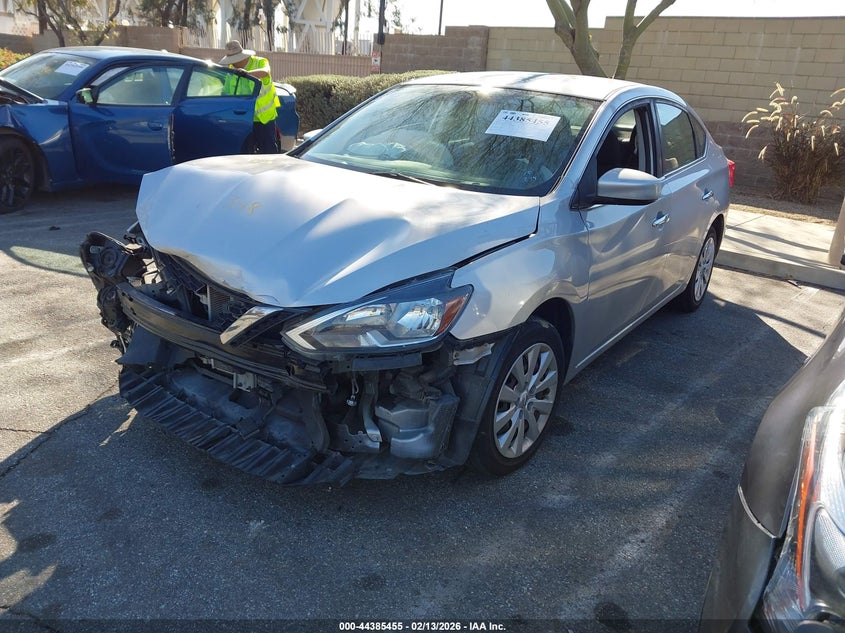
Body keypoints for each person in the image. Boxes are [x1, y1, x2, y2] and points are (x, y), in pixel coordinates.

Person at [219, 40, 280, 154]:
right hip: (244, 119)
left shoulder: (260, 62)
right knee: (246, 154)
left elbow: (265, 72)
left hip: (264, 118)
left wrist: (246, 74)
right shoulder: (232, 70)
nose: (232, 64)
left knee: (268, 153)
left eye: (234, 61)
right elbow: (226, 93)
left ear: (242, 57)